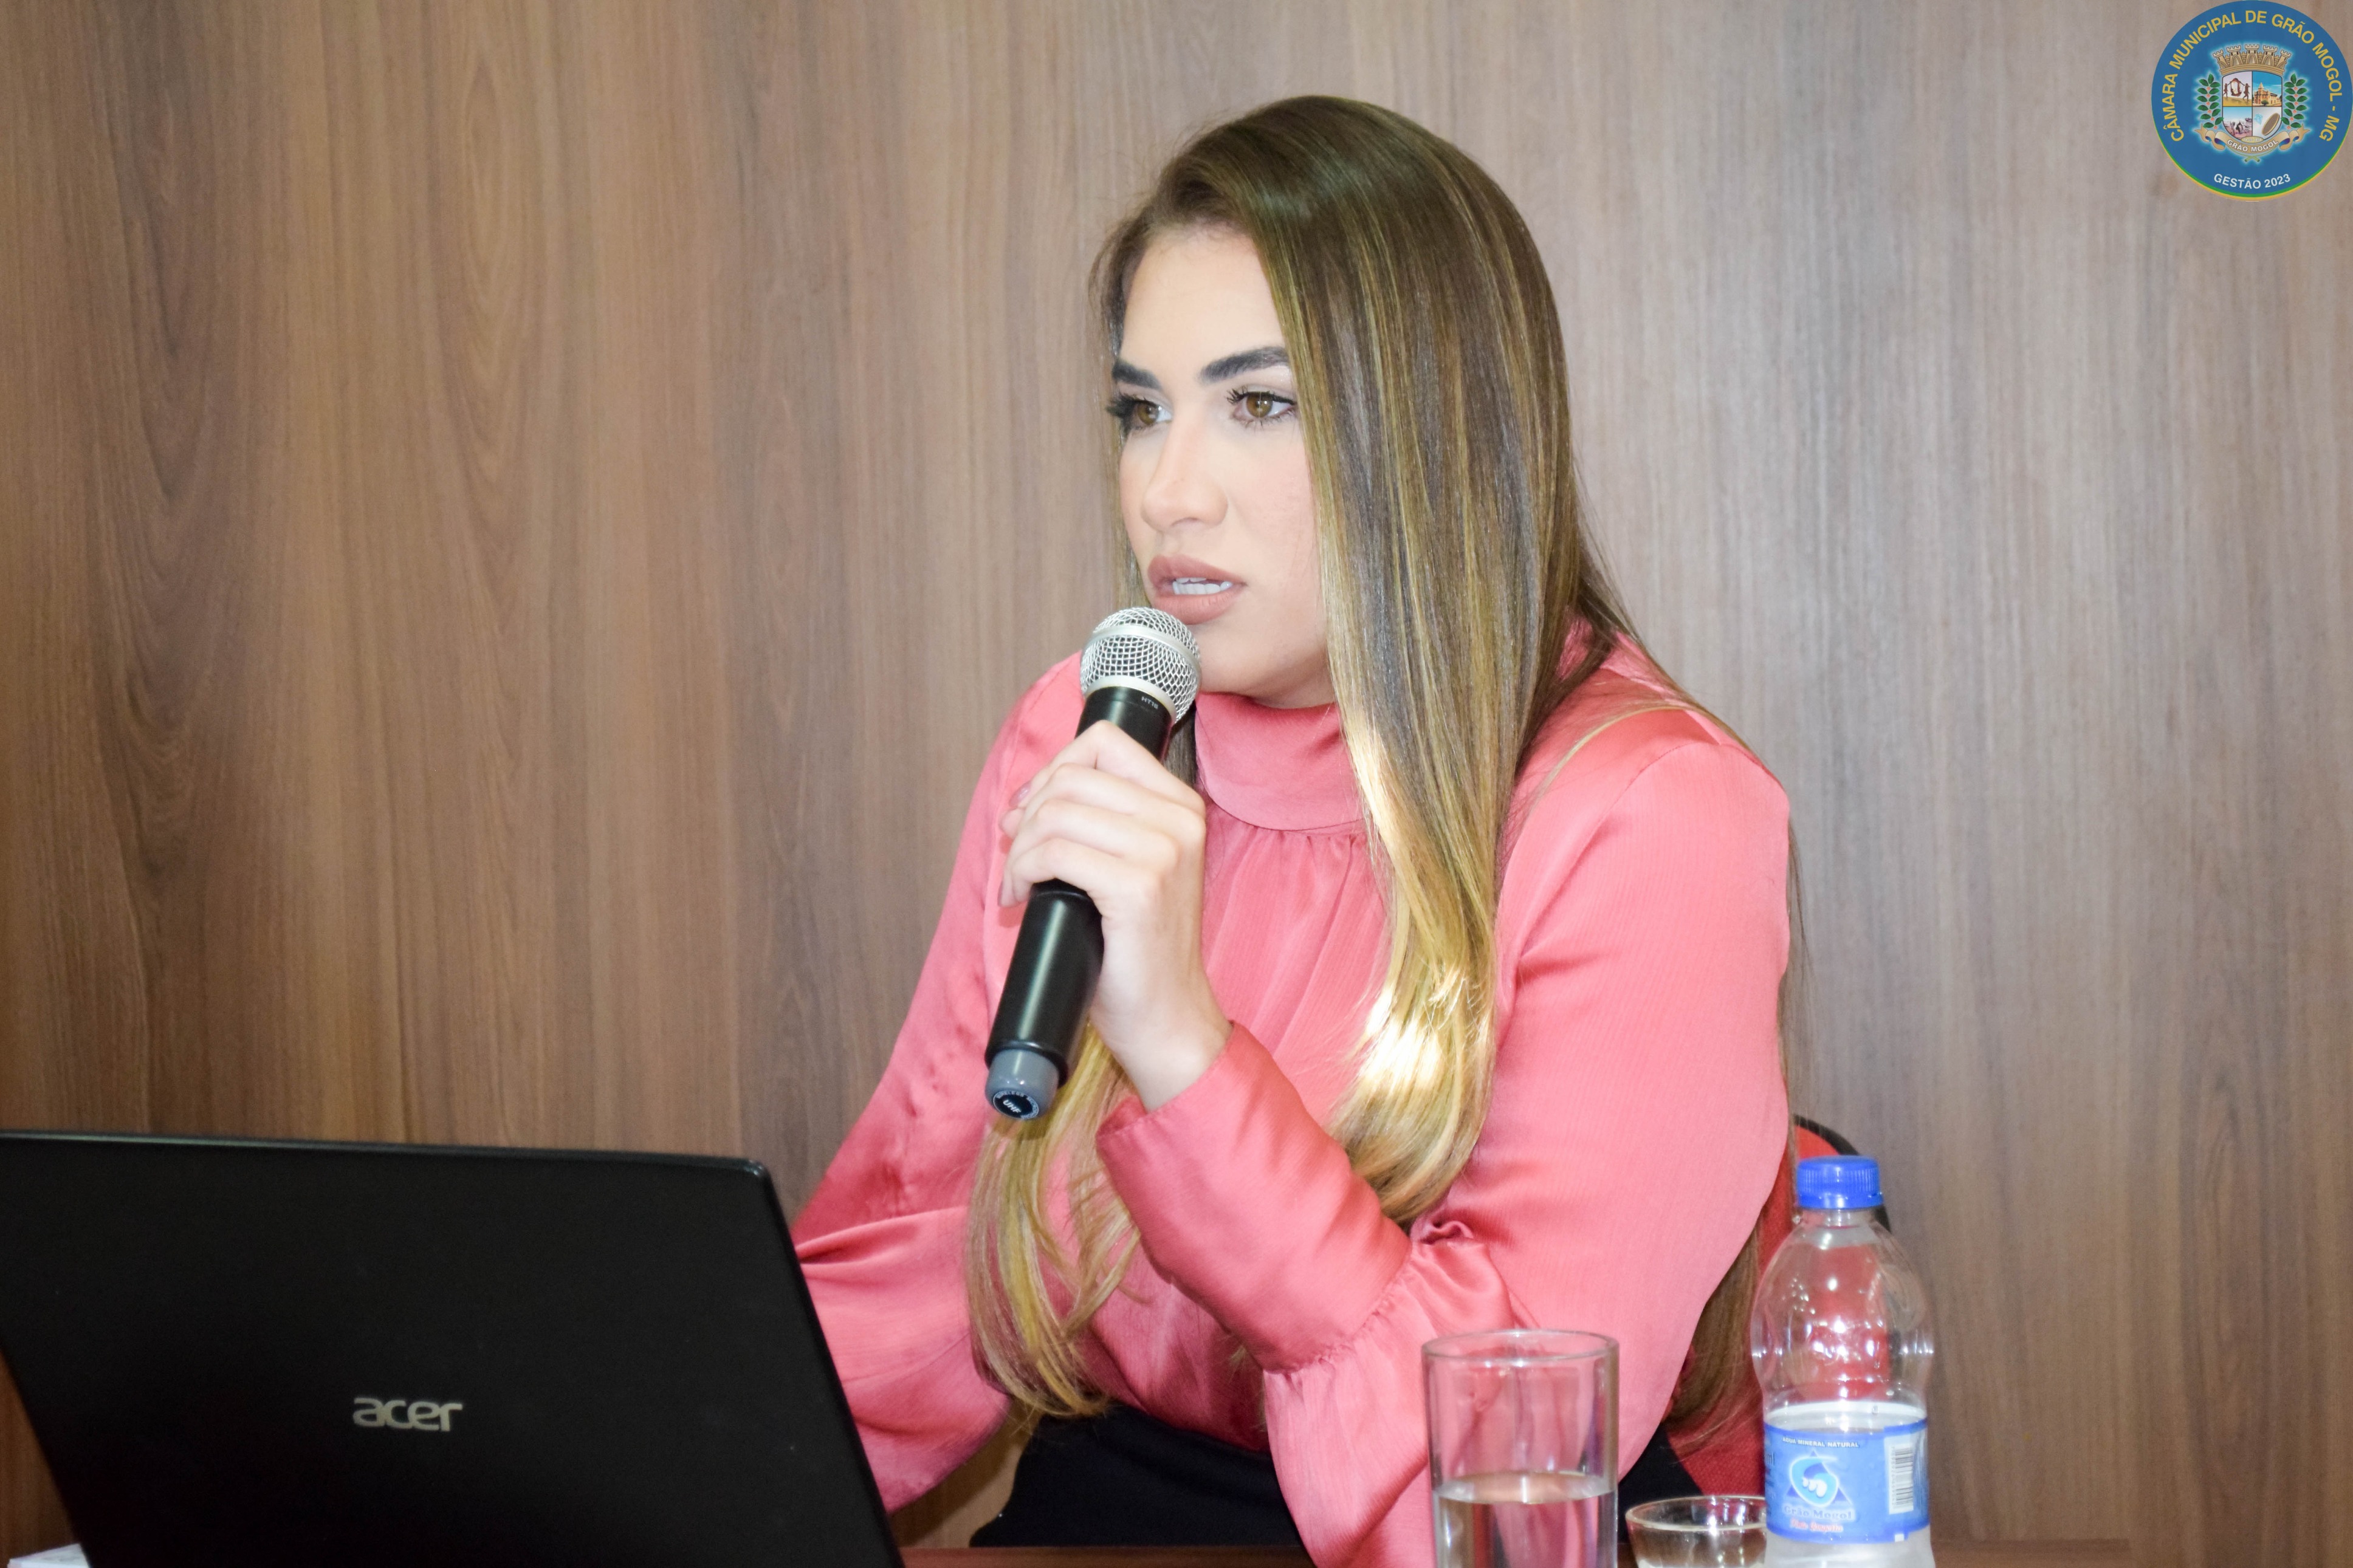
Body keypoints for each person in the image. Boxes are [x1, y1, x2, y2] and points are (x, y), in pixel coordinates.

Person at [794, 95, 1793, 1566]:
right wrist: (592, 1458)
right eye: (1141, 410)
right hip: (1106, 1508)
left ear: (1436, 436)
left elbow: (1506, 1469)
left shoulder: (1651, 814)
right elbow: (922, 1251)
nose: (1166, 490)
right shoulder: (1090, 731)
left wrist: (1185, 1054)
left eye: (1257, 405)